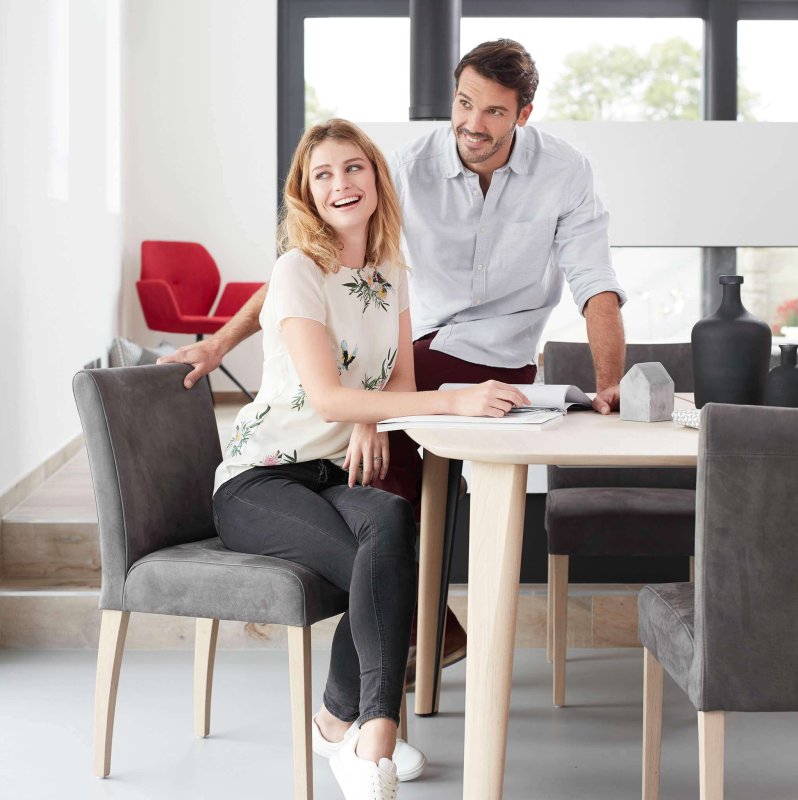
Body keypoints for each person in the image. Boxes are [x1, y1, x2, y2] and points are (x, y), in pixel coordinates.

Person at [160, 38, 627, 689]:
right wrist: (218, 345)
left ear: (523, 114)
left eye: (494, 111)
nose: (473, 123)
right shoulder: (406, 169)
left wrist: (609, 386)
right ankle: (411, 637)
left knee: (473, 489)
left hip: (506, 363)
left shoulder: (565, 173)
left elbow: (595, 285)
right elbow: (312, 266)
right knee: (382, 481)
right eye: (464, 103)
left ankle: (421, 635)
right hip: (420, 353)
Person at [209, 119, 529, 799]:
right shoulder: (298, 270)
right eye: (321, 175)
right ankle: (373, 730)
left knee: (388, 519)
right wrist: (456, 399)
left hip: (330, 474)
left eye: (352, 168)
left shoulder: (389, 274)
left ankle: (337, 721)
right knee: (376, 564)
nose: (339, 184)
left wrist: (375, 415)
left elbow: (401, 385)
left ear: (375, 180)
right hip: (259, 478)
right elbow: (327, 397)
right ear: (307, 193)